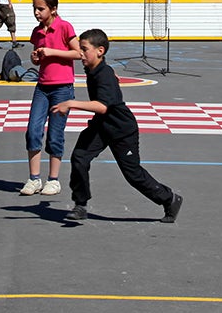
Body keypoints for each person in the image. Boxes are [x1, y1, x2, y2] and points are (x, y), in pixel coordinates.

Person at [53, 29, 181, 224]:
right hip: (100, 127)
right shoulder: (95, 68)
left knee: (133, 175)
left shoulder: (103, 74)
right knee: (80, 157)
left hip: (121, 130)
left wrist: (71, 103)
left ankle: (169, 199)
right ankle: (80, 205)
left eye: (84, 49)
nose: (80, 54)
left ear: (100, 50)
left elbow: (102, 107)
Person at [19, 0, 81, 197]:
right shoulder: (37, 32)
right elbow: (38, 54)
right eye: (34, 9)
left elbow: (78, 53)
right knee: (33, 130)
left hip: (62, 88)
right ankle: (34, 178)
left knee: (55, 134)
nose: (36, 12)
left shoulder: (64, 27)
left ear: (53, 9)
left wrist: (52, 52)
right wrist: (36, 58)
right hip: (43, 86)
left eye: (41, 9)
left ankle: (53, 180)